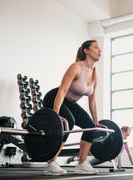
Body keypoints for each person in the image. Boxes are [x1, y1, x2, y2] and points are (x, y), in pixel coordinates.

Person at [42, 40, 103, 175]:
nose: (100, 50)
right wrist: (55, 116)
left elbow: (92, 101)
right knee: (68, 121)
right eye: (96, 48)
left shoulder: (94, 74)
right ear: (86, 50)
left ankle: (82, 163)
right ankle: (51, 162)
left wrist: (96, 121)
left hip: (69, 102)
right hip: (54, 97)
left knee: (90, 125)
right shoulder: (76, 67)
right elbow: (62, 91)